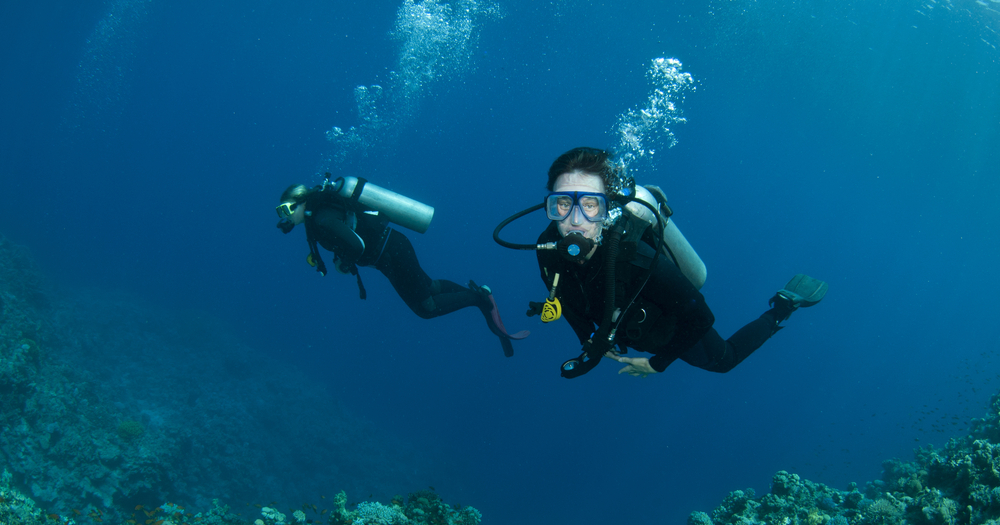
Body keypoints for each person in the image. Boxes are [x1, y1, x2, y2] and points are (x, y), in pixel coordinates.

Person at [525, 147, 826, 378]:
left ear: (608, 209)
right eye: (563, 203)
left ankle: (782, 308)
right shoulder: (547, 249)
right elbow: (565, 296)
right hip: (627, 327)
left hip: (671, 330)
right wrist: (590, 343)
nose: (574, 220)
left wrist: (657, 363)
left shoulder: (635, 259)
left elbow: (702, 318)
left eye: (590, 204)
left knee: (725, 361)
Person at [276, 176, 527, 357]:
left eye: (287, 209)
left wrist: (344, 261)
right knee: (430, 287)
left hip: (391, 253)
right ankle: (480, 293)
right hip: (393, 249)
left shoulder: (321, 218)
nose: (285, 216)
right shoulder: (319, 216)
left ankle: (480, 298)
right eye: (281, 212)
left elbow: (357, 246)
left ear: (301, 201)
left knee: (426, 308)